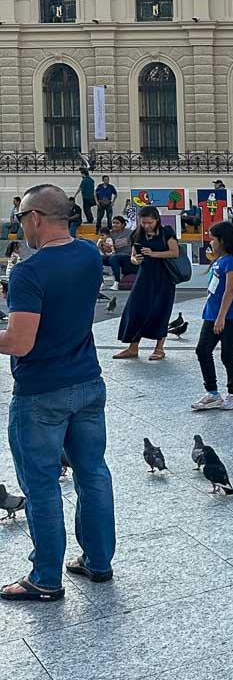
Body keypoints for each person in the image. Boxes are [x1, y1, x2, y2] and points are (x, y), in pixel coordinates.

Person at [0, 183, 114, 601]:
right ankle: (98, 562)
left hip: (41, 392)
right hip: (87, 381)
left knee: (42, 484)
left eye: (22, 219)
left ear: (34, 219)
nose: (21, 227)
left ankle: (46, 577)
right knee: (93, 472)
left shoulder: (28, 271)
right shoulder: (87, 253)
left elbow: (20, 343)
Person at [192, 220, 233, 411]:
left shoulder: (232, 261)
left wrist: (221, 316)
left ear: (223, 240)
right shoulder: (218, 260)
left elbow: (230, 289)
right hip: (212, 313)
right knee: (202, 350)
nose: (210, 243)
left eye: (213, 239)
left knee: (228, 353)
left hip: (232, 314)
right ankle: (212, 393)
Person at [113, 205, 179, 362]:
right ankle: (133, 347)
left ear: (157, 220)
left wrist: (154, 253)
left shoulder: (166, 232)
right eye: (144, 222)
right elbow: (133, 256)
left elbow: (174, 252)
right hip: (144, 276)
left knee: (160, 310)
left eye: (150, 222)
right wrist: (136, 259)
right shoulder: (138, 234)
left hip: (164, 277)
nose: (147, 225)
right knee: (135, 309)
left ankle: (159, 348)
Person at [98, 215, 137, 289]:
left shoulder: (130, 233)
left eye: (117, 223)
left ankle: (117, 282)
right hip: (114, 255)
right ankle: (101, 282)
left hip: (126, 256)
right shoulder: (110, 234)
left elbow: (136, 244)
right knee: (98, 259)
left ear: (123, 225)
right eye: (113, 223)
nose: (114, 225)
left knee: (113, 258)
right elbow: (108, 249)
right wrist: (103, 246)